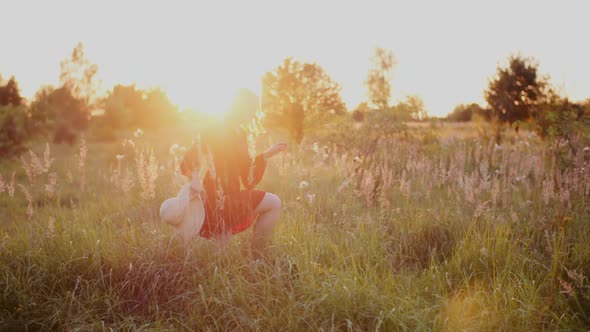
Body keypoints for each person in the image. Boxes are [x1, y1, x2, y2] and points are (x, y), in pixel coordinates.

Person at [180, 89, 287, 259]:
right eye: (250, 110)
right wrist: (194, 179)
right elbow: (192, 156)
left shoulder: (241, 134)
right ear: (239, 108)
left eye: (254, 111)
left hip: (233, 194)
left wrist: (265, 155)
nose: (252, 115)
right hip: (214, 195)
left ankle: (257, 253)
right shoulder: (215, 128)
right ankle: (197, 269)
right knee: (219, 254)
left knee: (273, 203)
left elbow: (247, 178)